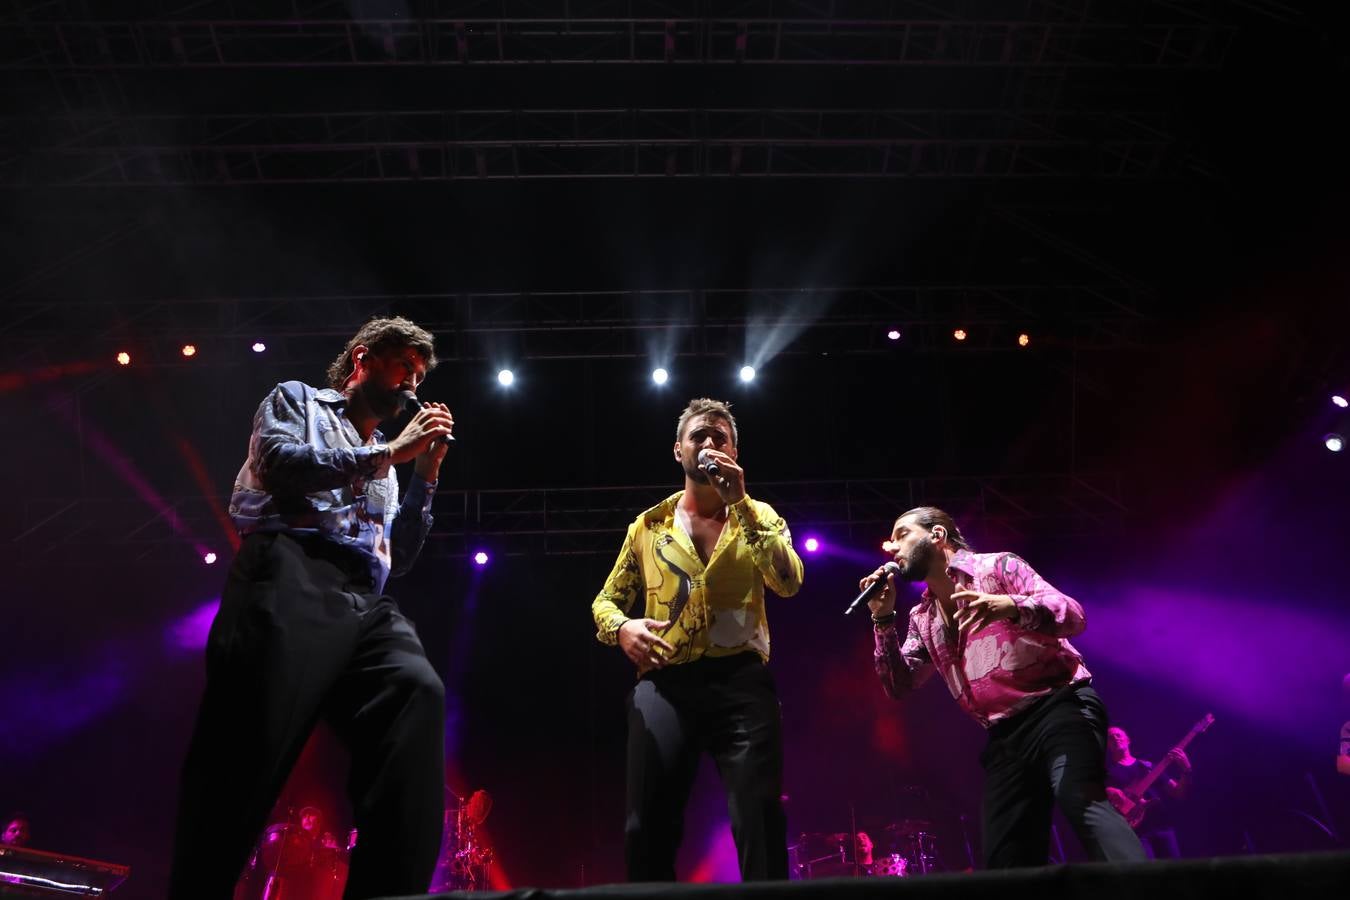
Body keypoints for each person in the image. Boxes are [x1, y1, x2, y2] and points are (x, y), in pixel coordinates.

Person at [170, 317, 456, 900]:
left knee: (416, 691)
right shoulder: (297, 399)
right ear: (362, 359)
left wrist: (423, 474)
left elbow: (397, 558)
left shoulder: (388, 462)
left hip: (365, 599)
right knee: (247, 750)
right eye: (404, 367)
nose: (413, 385)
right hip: (291, 571)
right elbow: (281, 464)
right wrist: (389, 454)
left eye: (420, 375)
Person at [592, 398, 804, 881]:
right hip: (666, 682)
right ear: (677, 450)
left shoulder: (761, 515)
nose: (709, 444)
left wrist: (741, 504)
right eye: (698, 437)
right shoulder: (648, 526)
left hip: (742, 682)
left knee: (760, 816)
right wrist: (622, 627)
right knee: (646, 824)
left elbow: (789, 582)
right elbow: (605, 601)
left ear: (735, 450)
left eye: (720, 437)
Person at [861, 506, 1145, 868]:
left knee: (1079, 797)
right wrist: (883, 619)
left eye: (902, 534)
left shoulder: (996, 568)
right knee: (1005, 854)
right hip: (1005, 736)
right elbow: (899, 685)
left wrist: (1011, 606)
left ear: (937, 536)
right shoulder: (923, 617)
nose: (890, 546)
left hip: (1058, 705)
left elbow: (1072, 614)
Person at [1104, 726, 1191, 858]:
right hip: (1136, 833)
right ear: (1107, 746)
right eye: (1110, 737)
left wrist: (1186, 771)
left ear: (1128, 740)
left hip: (1163, 827)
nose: (1115, 738)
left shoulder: (1148, 766)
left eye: (1118, 735)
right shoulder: (1108, 774)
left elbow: (1178, 792)